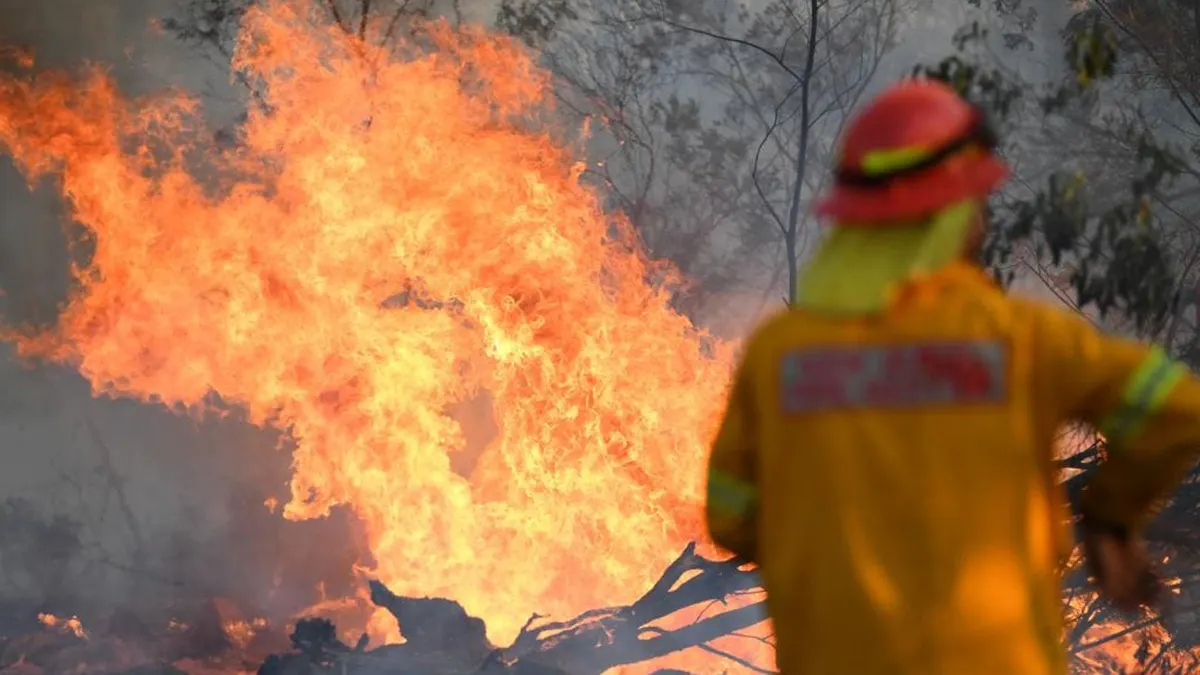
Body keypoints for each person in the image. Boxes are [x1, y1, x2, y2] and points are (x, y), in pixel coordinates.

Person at [704, 78, 1200, 675]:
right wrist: (1111, 518)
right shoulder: (1020, 341)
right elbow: (1176, 410)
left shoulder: (779, 354)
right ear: (955, 214)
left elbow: (730, 515)